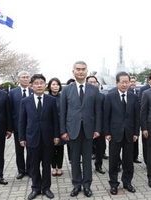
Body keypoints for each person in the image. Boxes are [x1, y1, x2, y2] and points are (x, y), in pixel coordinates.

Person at [60, 61, 101, 198]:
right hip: (73, 129)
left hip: (89, 130)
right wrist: (63, 131)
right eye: (78, 69)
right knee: (75, 159)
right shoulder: (66, 89)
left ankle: (87, 185)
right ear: (73, 72)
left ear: (87, 71)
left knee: (88, 159)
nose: (80, 71)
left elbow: (98, 111)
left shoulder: (94, 89)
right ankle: (76, 184)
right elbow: (63, 112)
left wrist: (97, 129)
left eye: (83, 69)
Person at [19, 74, 59, 200]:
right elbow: (22, 121)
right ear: (31, 86)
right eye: (36, 83)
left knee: (46, 165)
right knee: (34, 165)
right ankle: (36, 188)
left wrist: (56, 135)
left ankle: (46, 188)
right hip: (32, 138)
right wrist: (22, 138)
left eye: (42, 82)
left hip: (48, 138)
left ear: (45, 85)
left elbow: (55, 120)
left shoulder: (51, 100)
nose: (39, 85)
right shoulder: (25, 101)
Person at [104, 71, 140, 195]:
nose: (125, 84)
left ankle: (127, 182)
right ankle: (114, 184)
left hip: (129, 134)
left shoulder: (134, 97)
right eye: (122, 82)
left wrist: (136, 133)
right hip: (114, 134)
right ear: (117, 83)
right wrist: (107, 133)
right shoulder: (110, 96)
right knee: (114, 160)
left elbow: (136, 117)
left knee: (128, 160)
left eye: (127, 82)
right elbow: (106, 116)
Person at [9, 71, 33, 179]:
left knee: (31, 149)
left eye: (27, 77)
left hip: (32, 126)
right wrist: (10, 127)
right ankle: (21, 170)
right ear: (18, 79)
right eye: (23, 77)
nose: (25, 79)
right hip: (18, 125)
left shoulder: (33, 91)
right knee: (19, 150)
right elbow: (9, 110)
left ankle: (30, 169)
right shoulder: (13, 92)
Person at [86, 75, 106, 174]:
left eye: (95, 82)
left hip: (99, 125)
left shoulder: (102, 96)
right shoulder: (83, 95)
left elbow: (105, 112)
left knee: (99, 147)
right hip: (86, 125)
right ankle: (86, 167)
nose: (93, 84)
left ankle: (99, 165)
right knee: (87, 147)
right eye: (90, 82)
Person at [47, 77, 66, 177]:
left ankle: (60, 167)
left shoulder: (63, 97)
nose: (55, 86)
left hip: (61, 126)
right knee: (51, 148)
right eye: (53, 84)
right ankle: (53, 167)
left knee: (60, 148)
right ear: (50, 86)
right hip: (50, 127)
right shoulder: (46, 98)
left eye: (57, 84)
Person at [138, 71, 151, 165]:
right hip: (147, 120)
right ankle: (147, 161)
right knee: (146, 143)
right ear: (150, 79)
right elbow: (141, 104)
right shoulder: (144, 89)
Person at [129, 76, 141, 164]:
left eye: (134, 82)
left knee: (136, 139)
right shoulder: (127, 92)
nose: (133, 83)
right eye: (131, 82)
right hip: (129, 120)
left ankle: (135, 157)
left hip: (136, 119)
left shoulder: (137, 91)